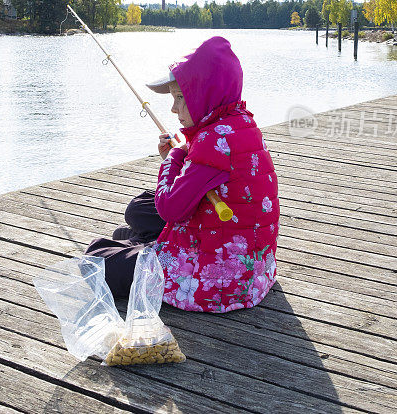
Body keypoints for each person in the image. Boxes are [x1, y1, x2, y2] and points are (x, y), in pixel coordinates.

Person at [84, 36, 280, 313]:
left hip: (218, 279)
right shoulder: (240, 122)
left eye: (179, 98)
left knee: (97, 257)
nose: (173, 108)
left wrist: (173, 158)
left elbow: (169, 209)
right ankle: (143, 242)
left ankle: (145, 246)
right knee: (138, 208)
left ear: (205, 95)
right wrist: (185, 153)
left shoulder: (212, 141)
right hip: (251, 261)